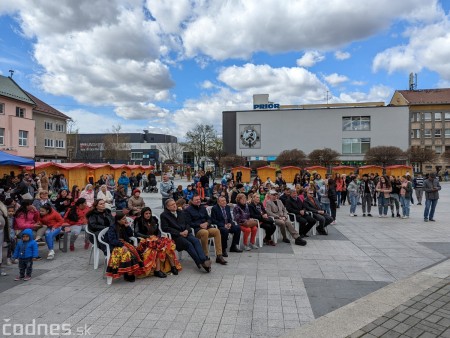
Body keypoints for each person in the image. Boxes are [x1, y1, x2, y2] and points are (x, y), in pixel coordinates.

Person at [160, 199, 212, 272]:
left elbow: (188, 224)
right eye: (172, 205)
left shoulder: (181, 212)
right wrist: (179, 233)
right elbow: (165, 228)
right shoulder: (164, 215)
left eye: (174, 203)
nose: (174, 205)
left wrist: (187, 230)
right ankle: (200, 262)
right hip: (176, 236)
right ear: (167, 207)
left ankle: (203, 260)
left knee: (196, 240)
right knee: (188, 244)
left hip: (186, 233)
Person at [133, 207, 181, 277]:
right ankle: (157, 270)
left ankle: (173, 266)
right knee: (156, 248)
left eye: (149, 213)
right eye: (146, 214)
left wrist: (157, 237)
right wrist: (148, 237)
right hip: (144, 240)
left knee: (167, 245)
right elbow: (136, 233)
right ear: (143, 214)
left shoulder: (153, 219)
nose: (148, 215)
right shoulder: (138, 220)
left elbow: (158, 231)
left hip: (155, 239)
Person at [185, 195, 227, 264]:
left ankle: (219, 255)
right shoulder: (188, 210)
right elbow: (188, 223)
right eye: (196, 200)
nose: (198, 201)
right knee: (204, 232)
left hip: (207, 227)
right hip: (197, 230)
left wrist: (207, 223)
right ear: (192, 201)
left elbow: (209, 218)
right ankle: (206, 255)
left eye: (199, 199)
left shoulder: (203, 208)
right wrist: (200, 225)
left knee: (216, 231)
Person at [105, 213, 144, 282]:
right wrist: (121, 245)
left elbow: (130, 234)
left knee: (134, 252)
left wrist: (127, 227)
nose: (125, 220)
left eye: (125, 218)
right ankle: (127, 274)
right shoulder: (112, 227)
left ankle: (129, 273)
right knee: (126, 253)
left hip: (124, 244)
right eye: (123, 219)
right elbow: (112, 240)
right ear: (118, 220)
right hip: (116, 246)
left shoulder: (123, 226)